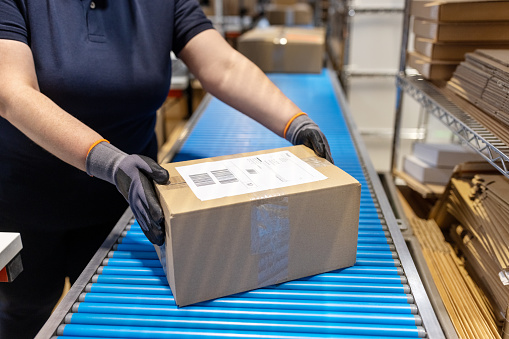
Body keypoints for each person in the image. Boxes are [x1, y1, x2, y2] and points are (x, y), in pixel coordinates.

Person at [0, 1, 333, 337]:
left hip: (132, 203)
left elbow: (224, 66)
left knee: (112, 317)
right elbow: (12, 91)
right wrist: (109, 162)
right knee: (26, 312)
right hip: (27, 203)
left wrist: (295, 122)